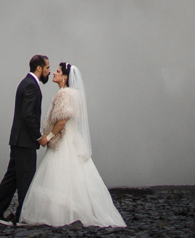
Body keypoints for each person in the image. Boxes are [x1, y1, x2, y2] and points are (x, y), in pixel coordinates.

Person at [19, 63, 124, 228]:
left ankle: (61, 215)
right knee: (78, 176)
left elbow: (62, 120)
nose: (54, 72)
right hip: (73, 139)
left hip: (63, 140)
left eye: (58, 71)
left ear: (65, 77)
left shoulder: (63, 94)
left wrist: (49, 137)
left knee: (59, 175)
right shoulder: (75, 94)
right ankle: (79, 211)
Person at [0, 54, 51, 225]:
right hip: (25, 141)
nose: (49, 72)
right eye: (47, 68)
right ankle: (22, 217)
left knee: (12, 178)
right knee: (26, 179)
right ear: (39, 68)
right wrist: (38, 137)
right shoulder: (30, 86)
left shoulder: (26, 83)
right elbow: (27, 114)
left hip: (19, 140)